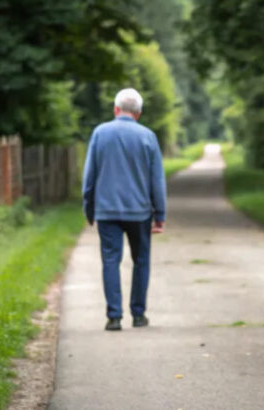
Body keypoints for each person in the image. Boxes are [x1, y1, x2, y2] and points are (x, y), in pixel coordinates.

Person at [82, 88, 167, 331]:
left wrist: (89, 209)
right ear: (138, 113)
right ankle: (138, 315)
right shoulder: (148, 137)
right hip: (139, 212)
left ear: (116, 109)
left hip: (107, 211)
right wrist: (159, 215)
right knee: (141, 260)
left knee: (110, 260)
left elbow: (89, 177)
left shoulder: (100, 133)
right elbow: (157, 180)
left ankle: (114, 317)